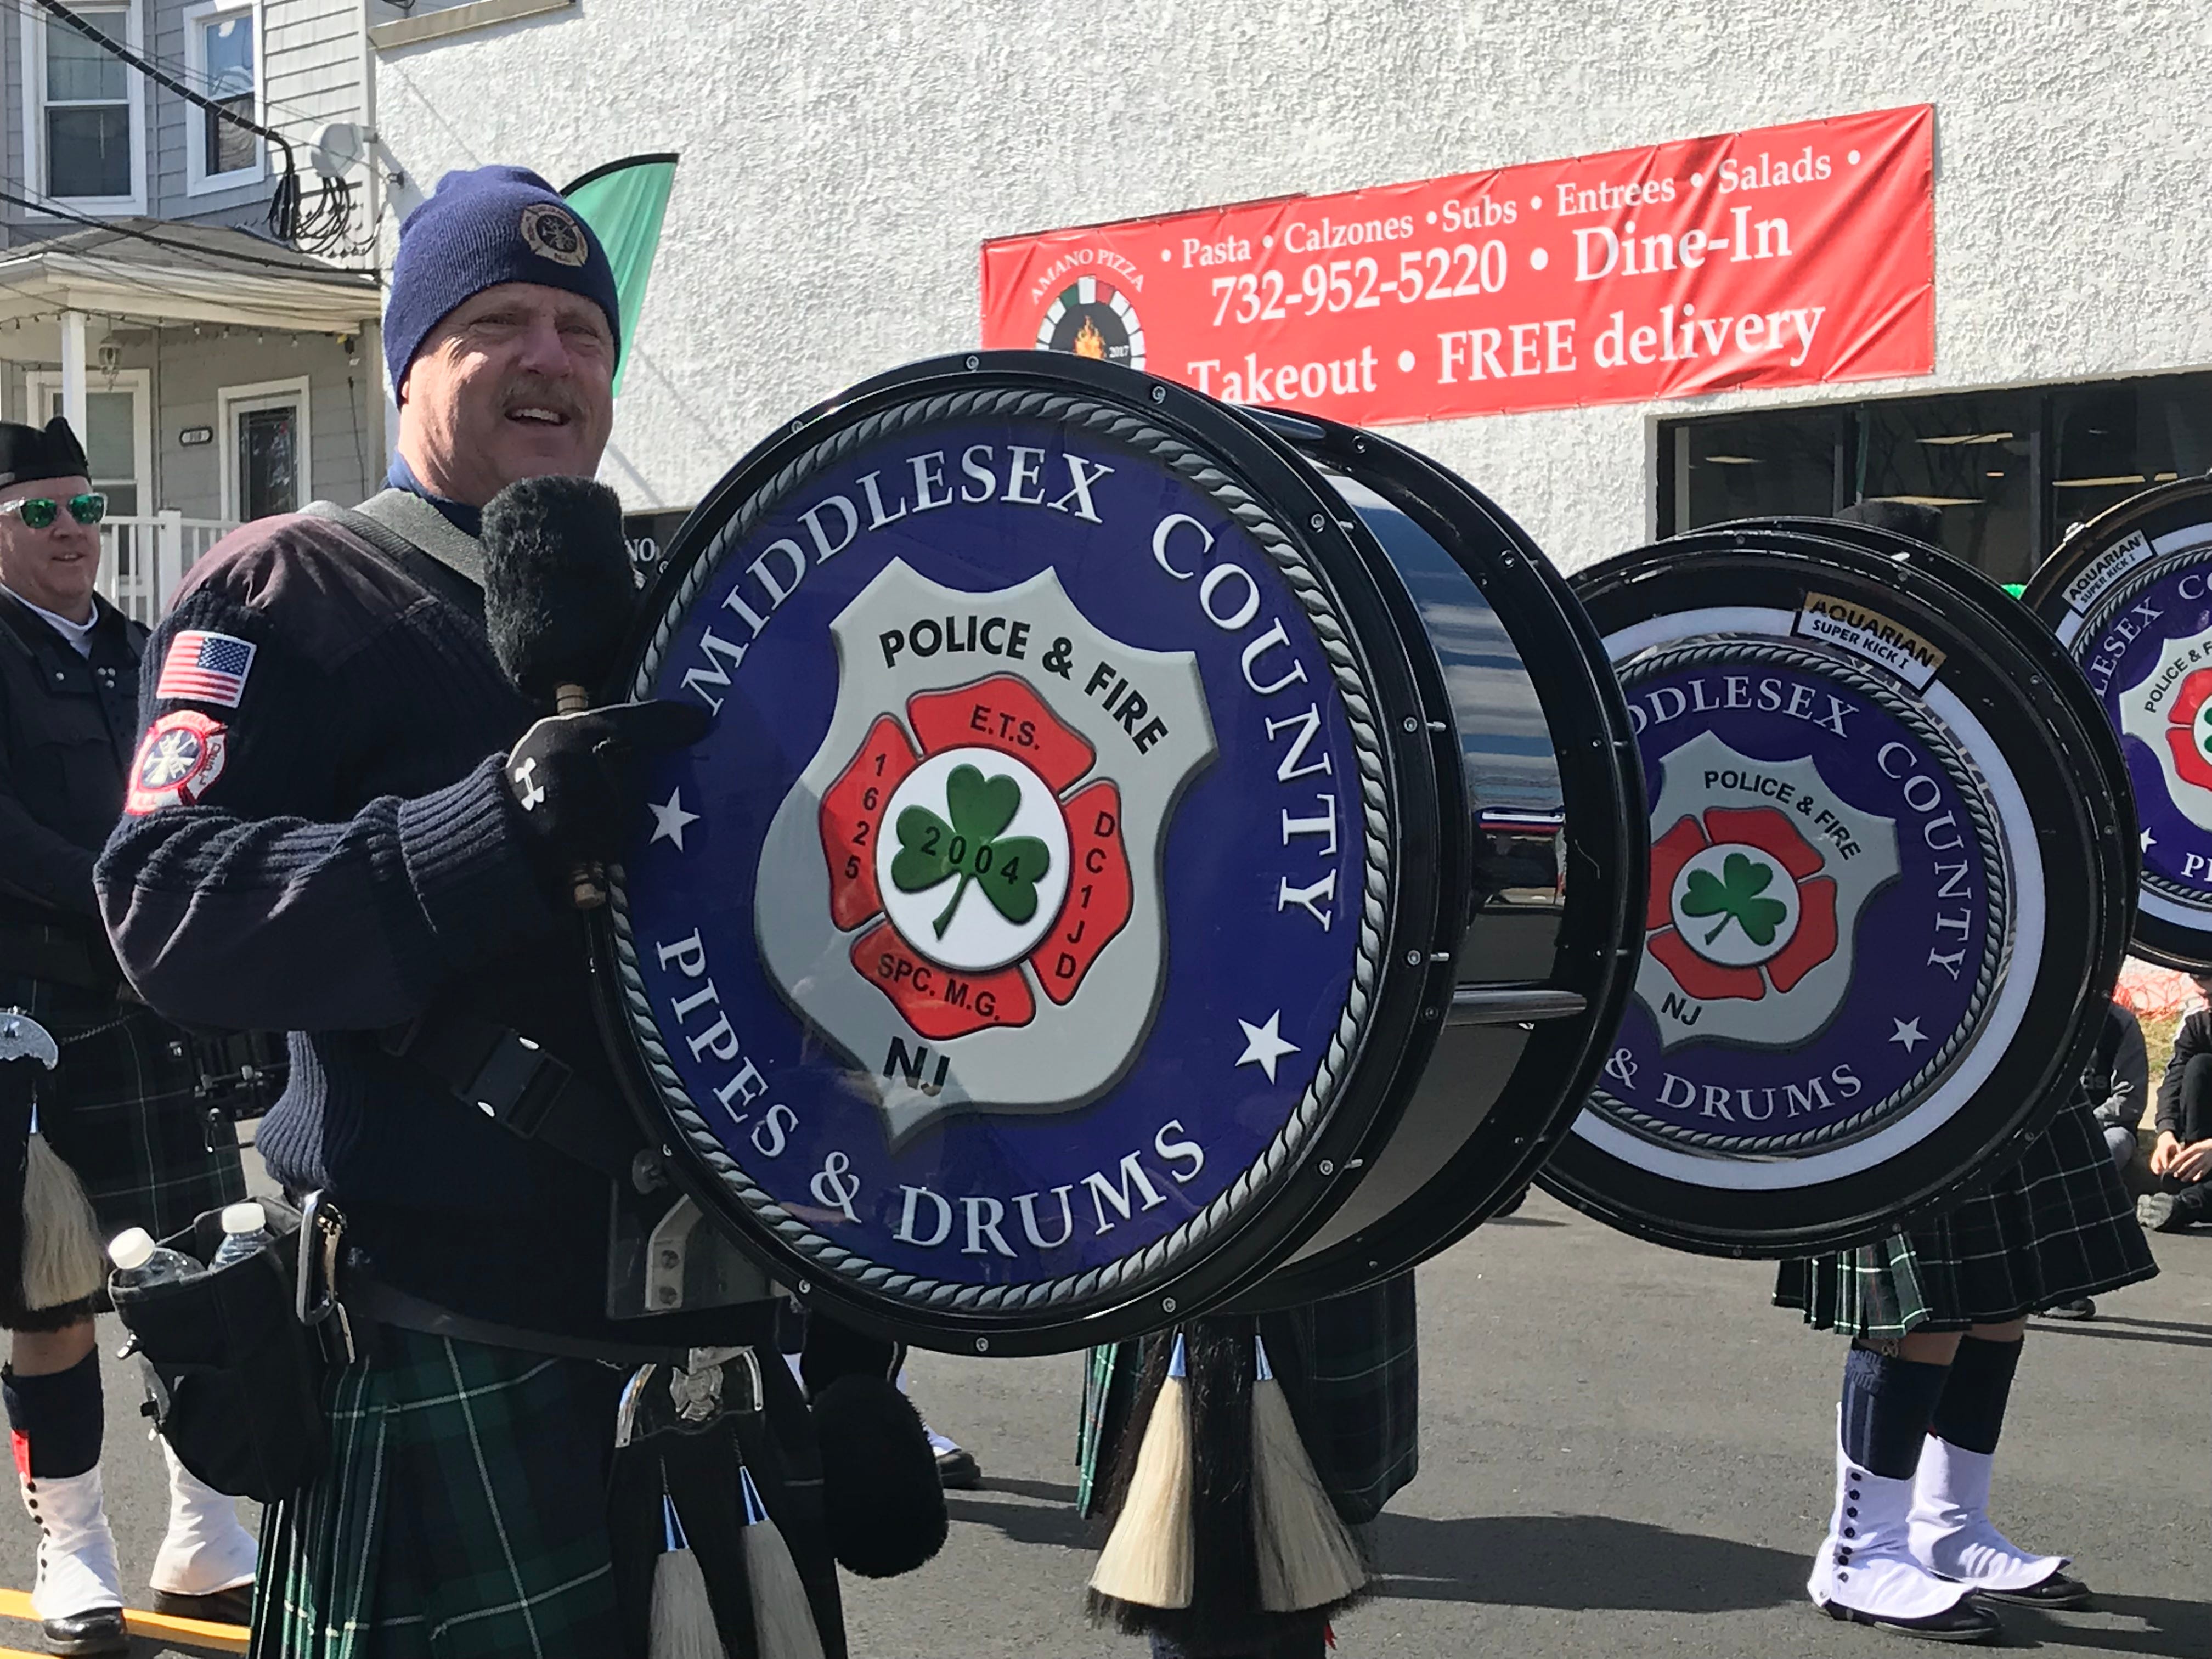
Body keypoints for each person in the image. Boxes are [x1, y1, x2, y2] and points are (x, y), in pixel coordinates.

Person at [94, 166, 866, 1657]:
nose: (550, 359)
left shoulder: (681, 617)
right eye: (495, 322)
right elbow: (165, 909)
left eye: (583, 329)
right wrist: (487, 832)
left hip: (708, 1348)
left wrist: (853, 1326)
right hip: (451, 1333)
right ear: (409, 368)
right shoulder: (284, 592)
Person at [1774, 498, 2160, 1643]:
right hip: (1887, 1053)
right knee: (1920, 1315)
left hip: (2008, 1036)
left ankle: (1949, 1523)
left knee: (2000, 1304)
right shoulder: (1821, 685)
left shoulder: (1974, 691)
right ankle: (1860, 1552)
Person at [0, 415, 258, 1655]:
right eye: (39, 513)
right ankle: (76, 1544)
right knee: (49, 1300)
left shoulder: (148, 651)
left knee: (195, 1271)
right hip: (39, 1014)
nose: (71, 535)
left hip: (163, 1004)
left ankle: (205, 1531)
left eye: (85, 509)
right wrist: (125, 892)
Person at [2047, 999, 2151, 1319]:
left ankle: (2068, 1283)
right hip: (2045, 1130)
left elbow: (2129, 1101)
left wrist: (2079, 1122)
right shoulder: (2044, 1018)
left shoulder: (2120, 1024)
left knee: (2097, 1158)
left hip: (2106, 1129)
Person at [2140, 973, 2212, 1232]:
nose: (2205, 1005)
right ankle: (2194, 1174)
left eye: (2211, 997)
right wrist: (2166, 1133)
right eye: (2201, 996)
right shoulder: (2198, 1020)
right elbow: (2174, 1080)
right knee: (2199, 1067)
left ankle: (2187, 1205)